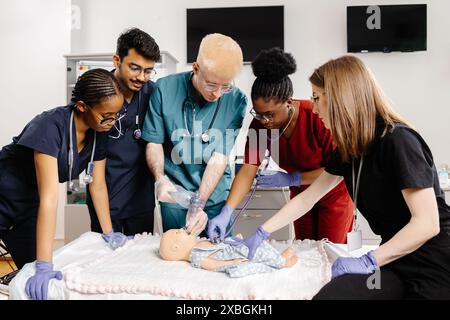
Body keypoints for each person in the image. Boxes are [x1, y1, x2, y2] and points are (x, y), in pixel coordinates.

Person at [229, 55, 450, 299]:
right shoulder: (350, 149)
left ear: (340, 98)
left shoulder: (399, 141)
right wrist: (260, 233)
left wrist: (368, 260)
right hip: (394, 261)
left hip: (433, 262)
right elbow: (306, 200)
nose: (312, 107)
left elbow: (427, 224)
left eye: (316, 98)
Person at [0, 69, 130, 300]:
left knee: (30, 279)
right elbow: (51, 197)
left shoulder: (98, 131)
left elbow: (97, 185)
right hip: (4, 194)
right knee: (40, 266)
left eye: (116, 115)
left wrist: (109, 233)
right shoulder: (49, 127)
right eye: (106, 115)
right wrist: (44, 265)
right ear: (82, 106)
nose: (112, 122)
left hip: (29, 206)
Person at [207, 47, 353, 244]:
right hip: (300, 195)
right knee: (305, 249)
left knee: (330, 249)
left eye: (270, 114)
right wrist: (228, 210)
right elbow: (248, 170)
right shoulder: (259, 125)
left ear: (288, 102)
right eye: (259, 113)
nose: (265, 120)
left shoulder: (317, 117)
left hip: (333, 194)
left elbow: (339, 169)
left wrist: (293, 177)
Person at [143, 33, 247, 236]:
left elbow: (219, 157)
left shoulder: (236, 101)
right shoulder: (165, 89)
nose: (217, 94)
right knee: (177, 257)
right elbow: (153, 142)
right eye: (210, 84)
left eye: (225, 86)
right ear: (196, 68)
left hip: (215, 197)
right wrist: (160, 179)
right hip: (175, 196)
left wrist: (199, 203)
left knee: (219, 256)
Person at [86, 28, 160, 236]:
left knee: (138, 262)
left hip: (141, 200)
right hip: (105, 196)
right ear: (117, 60)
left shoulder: (153, 94)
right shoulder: (97, 92)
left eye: (148, 70)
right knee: (106, 261)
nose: (141, 77)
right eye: (135, 68)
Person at [159, 228, 298, 277]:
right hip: (236, 255)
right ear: (176, 247)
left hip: (234, 247)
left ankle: (278, 257)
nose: (182, 230)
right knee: (258, 254)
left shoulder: (197, 244)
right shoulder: (195, 256)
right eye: (177, 232)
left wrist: (232, 239)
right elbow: (213, 264)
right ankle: (282, 262)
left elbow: (218, 245)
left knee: (260, 245)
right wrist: (232, 262)